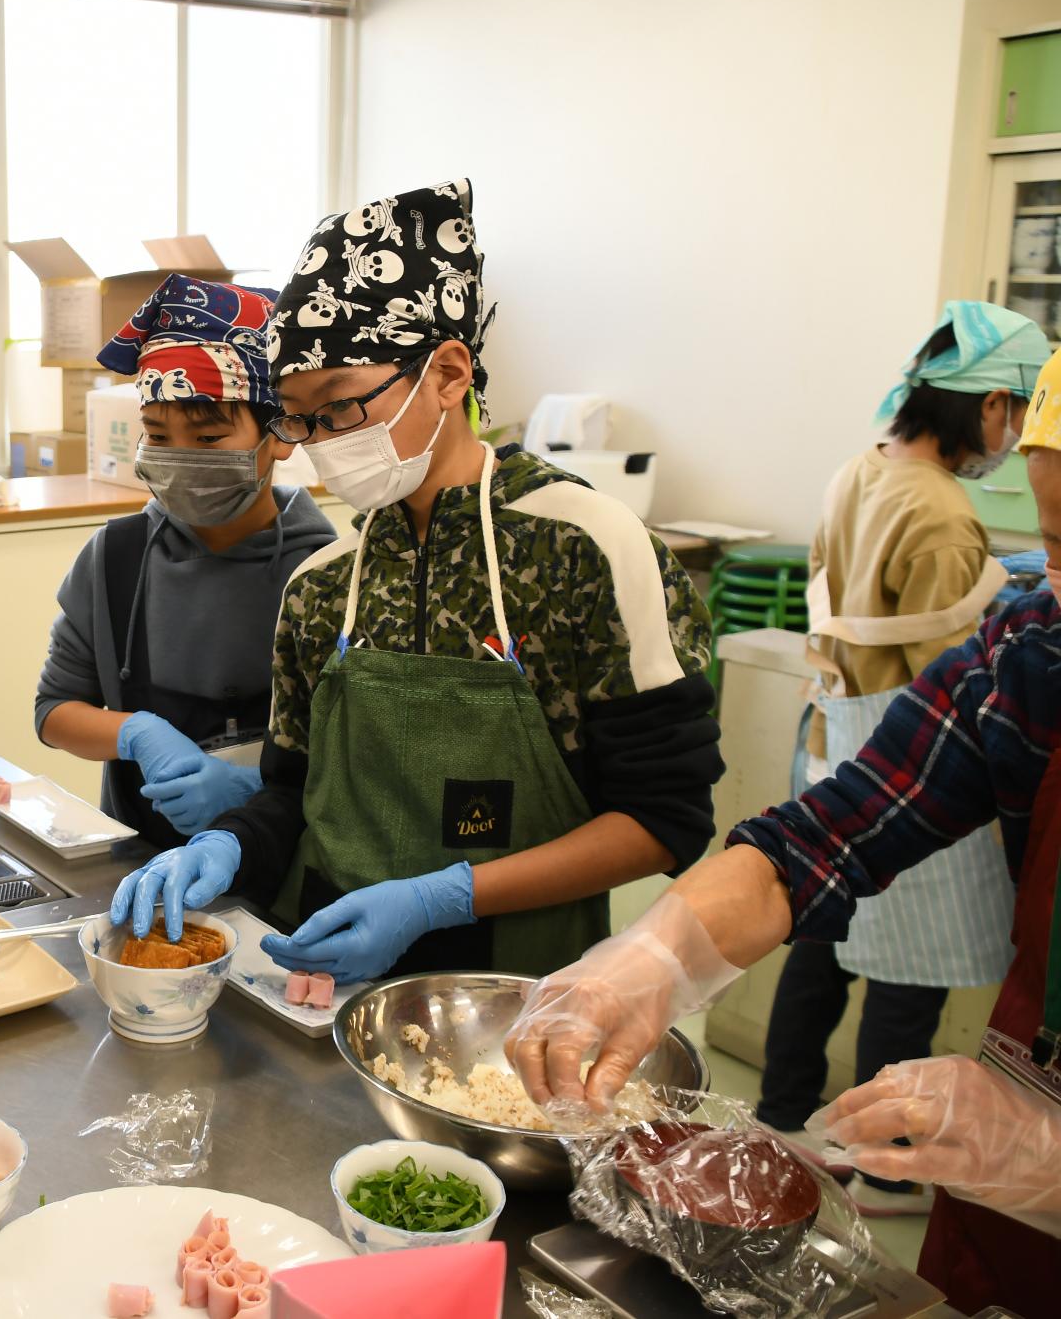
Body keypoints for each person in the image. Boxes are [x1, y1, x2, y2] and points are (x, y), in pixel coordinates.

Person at [505, 350, 1061, 1314]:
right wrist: (648, 958)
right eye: (1059, 542)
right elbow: (827, 836)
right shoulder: (1035, 656)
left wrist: (1050, 1156)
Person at [110, 180, 723, 983]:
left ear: (447, 371)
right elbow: (295, 794)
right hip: (322, 973)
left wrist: (446, 896)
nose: (322, 442)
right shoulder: (322, 586)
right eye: (298, 417)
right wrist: (230, 838)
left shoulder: (587, 552)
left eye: (339, 406)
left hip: (508, 991)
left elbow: (666, 818)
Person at [758, 301, 1044, 1215]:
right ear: (991, 407)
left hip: (831, 734)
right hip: (901, 758)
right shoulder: (946, 514)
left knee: (820, 942)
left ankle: (778, 1117)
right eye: (1018, 410)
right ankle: (886, 1168)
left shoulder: (862, 469)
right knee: (907, 972)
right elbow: (959, 686)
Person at [36, 274, 335, 846]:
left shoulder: (324, 572)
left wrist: (256, 788)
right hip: (144, 869)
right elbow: (54, 711)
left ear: (279, 433)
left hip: (287, 870)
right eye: (157, 434)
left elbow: (358, 759)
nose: (178, 461)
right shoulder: (115, 560)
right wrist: (136, 733)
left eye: (207, 439)